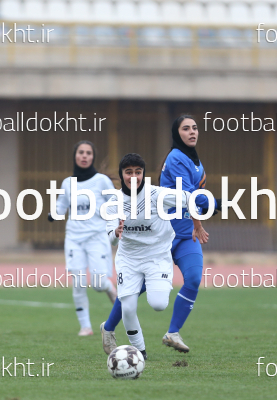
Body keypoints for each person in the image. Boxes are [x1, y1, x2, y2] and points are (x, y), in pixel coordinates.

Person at [101, 115, 220, 354]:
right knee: (134, 290)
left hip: (186, 235)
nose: (192, 132)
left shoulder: (195, 162)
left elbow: (192, 198)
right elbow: (189, 195)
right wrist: (210, 208)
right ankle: (110, 327)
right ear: (176, 133)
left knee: (193, 279)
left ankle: (172, 332)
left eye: (195, 128)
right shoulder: (176, 158)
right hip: (164, 236)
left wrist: (206, 212)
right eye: (186, 128)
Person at [105, 153, 192, 360]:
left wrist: (198, 220)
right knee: (128, 308)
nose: (133, 177)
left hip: (157, 256)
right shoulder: (114, 201)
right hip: (129, 259)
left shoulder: (156, 194)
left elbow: (189, 199)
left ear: (143, 174)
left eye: (138, 172)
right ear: (122, 175)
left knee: (159, 304)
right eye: (128, 172)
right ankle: (140, 353)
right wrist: (116, 232)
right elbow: (111, 239)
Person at [54, 140, 117, 336]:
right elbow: (61, 205)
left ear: (93, 157)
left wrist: (116, 225)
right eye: (81, 152)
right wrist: (54, 213)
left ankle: (109, 288)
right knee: (78, 283)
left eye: (88, 153)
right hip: (74, 238)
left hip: (97, 237)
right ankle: (85, 327)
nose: (84, 156)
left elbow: (115, 203)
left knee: (98, 284)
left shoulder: (101, 181)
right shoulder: (67, 183)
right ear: (75, 155)